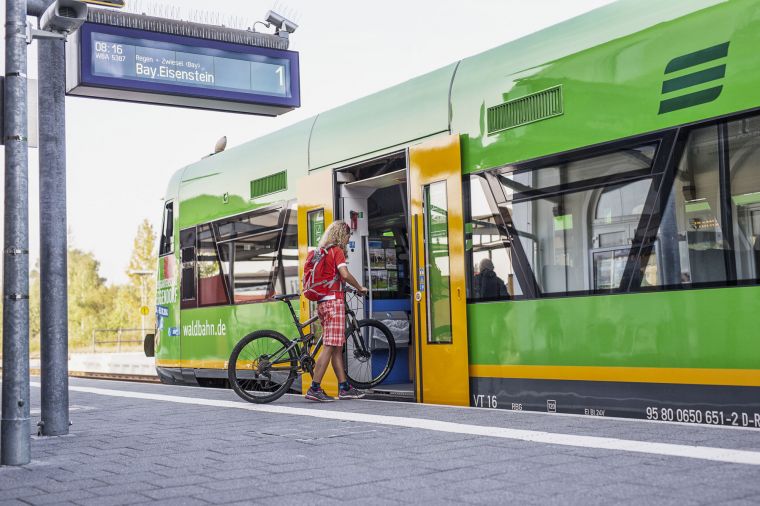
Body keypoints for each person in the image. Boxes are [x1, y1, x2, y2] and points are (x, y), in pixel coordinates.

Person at [306, 220, 369, 402]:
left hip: (323, 303)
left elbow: (332, 278)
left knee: (336, 348)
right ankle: (314, 388)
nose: (349, 240)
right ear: (343, 235)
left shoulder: (322, 251)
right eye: (348, 236)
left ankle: (344, 388)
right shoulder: (337, 251)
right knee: (329, 347)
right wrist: (359, 287)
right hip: (334, 304)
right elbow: (345, 274)